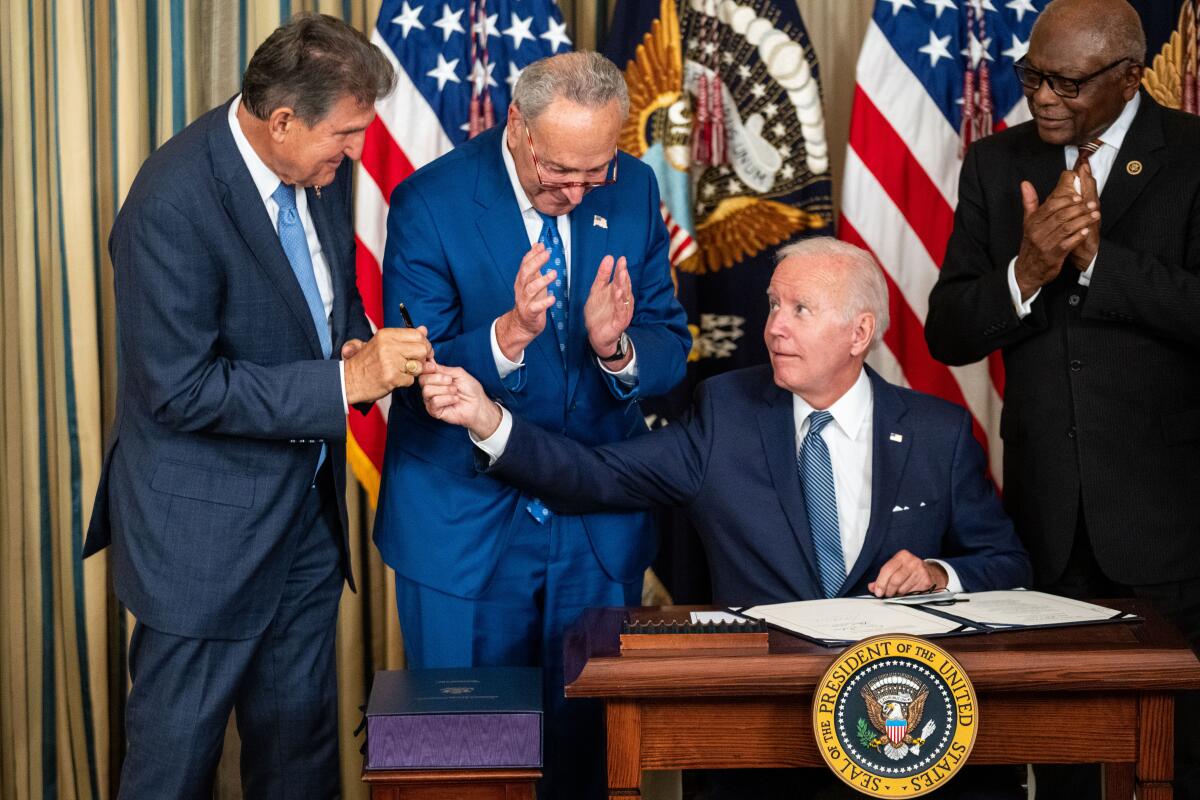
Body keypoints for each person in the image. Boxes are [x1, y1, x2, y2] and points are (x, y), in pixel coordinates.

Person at [422, 236, 1031, 799]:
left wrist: (936, 571)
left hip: (902, 729)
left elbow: (1006, 563)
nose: (773, 329)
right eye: (772, 306)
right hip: (756, 732)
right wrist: (489, 422)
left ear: (860, 332)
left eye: (800, 310)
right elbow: (596, 475)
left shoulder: (935, 432)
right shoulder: (727, 413)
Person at [83, 15, 432, 799]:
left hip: (302, 521)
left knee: (299, 756)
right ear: (280, 121)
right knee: (174, 767)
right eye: (344, 135)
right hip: (201, 539)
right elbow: (178, 389)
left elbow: (321, 310)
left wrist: (355, 348)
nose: (354, 154)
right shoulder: (171, 202)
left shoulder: (317, 176)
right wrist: (344, 385)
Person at [374, 51, 690, 800]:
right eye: (559, 172)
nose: (576, 191)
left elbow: (670, 346)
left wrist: (618, 348)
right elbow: (411, 373)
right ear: (516, 126)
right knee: (464, 767)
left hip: (594, 521)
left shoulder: (637, 190)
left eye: (595, 172)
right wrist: (507, 335)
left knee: (590, 762)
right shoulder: (430, 200)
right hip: (465, 526)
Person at [925, 0, 1200, 795]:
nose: (1042, 97)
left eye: (1067, 83)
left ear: (1128, 77)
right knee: (1064, 750)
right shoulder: (995, 161)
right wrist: (1027, 270)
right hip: (1045, 523)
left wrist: (1099, 264)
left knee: (1177, 757)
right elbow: (948, 331)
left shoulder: (1190, 155)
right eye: (1032, 76)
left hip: (1172, 521)